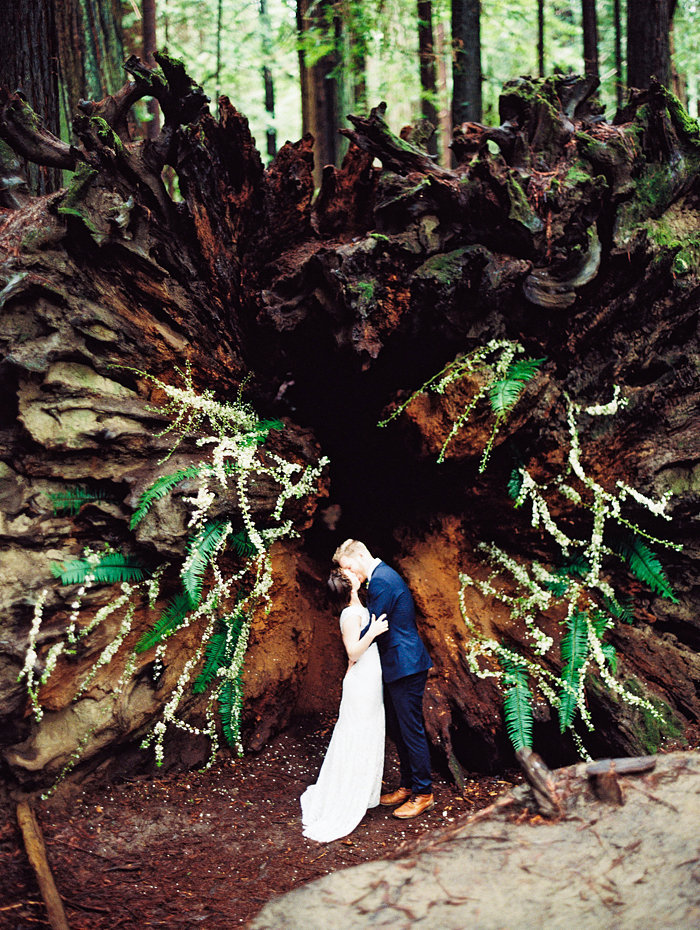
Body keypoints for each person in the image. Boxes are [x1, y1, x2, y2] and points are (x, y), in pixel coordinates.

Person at [333, 539, 435, 819]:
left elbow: (373, 625)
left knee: (410, 729)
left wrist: (352, 654)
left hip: (405, 665)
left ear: (359, 557)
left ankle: (423, 793)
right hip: (396, 665)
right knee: (401, 729)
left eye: (348, 567)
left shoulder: (382, 581)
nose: (350, 574)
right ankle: (407, 785)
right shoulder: (381, 577)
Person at [300, 568, 389, 843]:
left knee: (369, 729)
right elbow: (352, 650)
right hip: (362, 683)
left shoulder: (358, 606)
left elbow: (352, 658)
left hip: (367, 678)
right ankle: (348, 795)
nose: (355, 573)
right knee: (358, 734)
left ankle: (364, 791)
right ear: (349, 586)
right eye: (349, 574)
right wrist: (373, 631)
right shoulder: (350, 614)